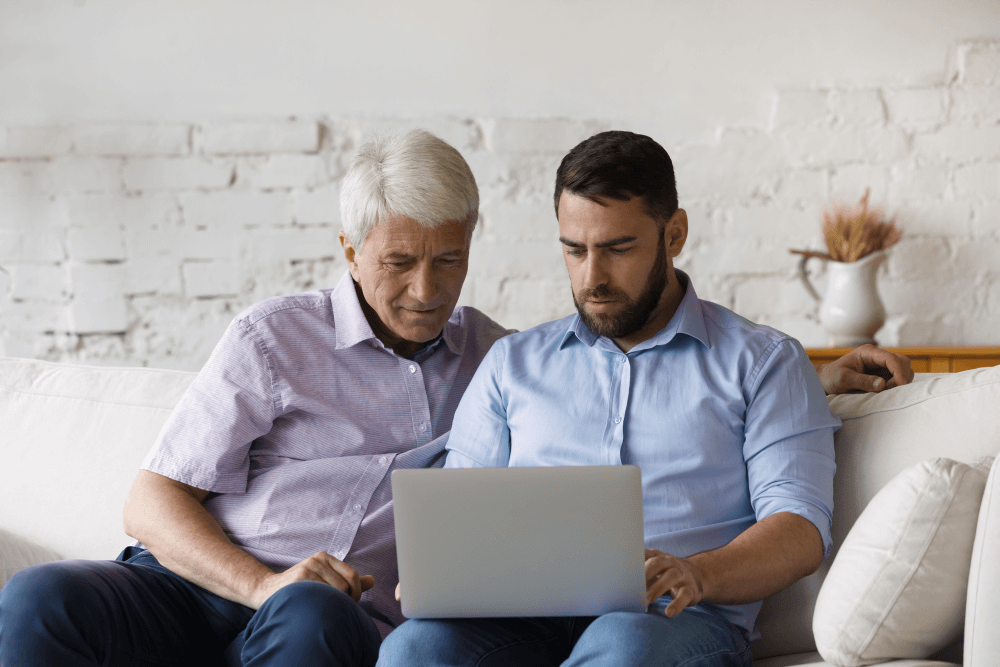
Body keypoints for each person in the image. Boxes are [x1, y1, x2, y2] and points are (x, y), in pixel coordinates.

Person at [0, 129, 911, 667]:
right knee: (40, 601)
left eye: (449, 261)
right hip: (229, 587)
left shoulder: (508, 353)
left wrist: (810, 377)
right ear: (350, 249)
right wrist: (276, 580)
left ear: (673, 232)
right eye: (399, 262)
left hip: (647, 618)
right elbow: (151, 498)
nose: (427, 289)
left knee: (349, 624)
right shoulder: (313, 342)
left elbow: (781, 496)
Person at [377, 130, 889, 667]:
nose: (592, 278)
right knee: (415, 648)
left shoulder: (764, 363)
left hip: (672, 621)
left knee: (623, 646)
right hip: (522, 622)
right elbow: (463, 520)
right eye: (574, 250)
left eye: (617, 249)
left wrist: (699, 572)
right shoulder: (511, 365)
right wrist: (441, 574)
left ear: (674, 234)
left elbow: (800, 528)